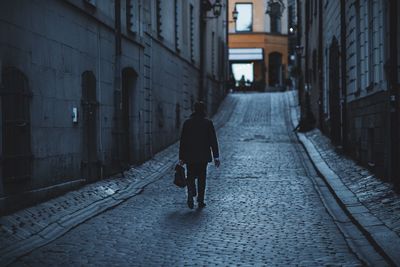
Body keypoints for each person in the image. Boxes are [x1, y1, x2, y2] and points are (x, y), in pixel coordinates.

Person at [179, 101, 220, 209]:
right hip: (203, 156)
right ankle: (200, 200)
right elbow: (213, 140)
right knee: (202, 178)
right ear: (204, 110)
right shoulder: (207, 123)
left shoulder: (187, 123)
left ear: (194, 109)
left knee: (190, 176)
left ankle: (190, 194)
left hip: (190, 156)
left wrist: (181, 157)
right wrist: (216, 156)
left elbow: (183, 141)